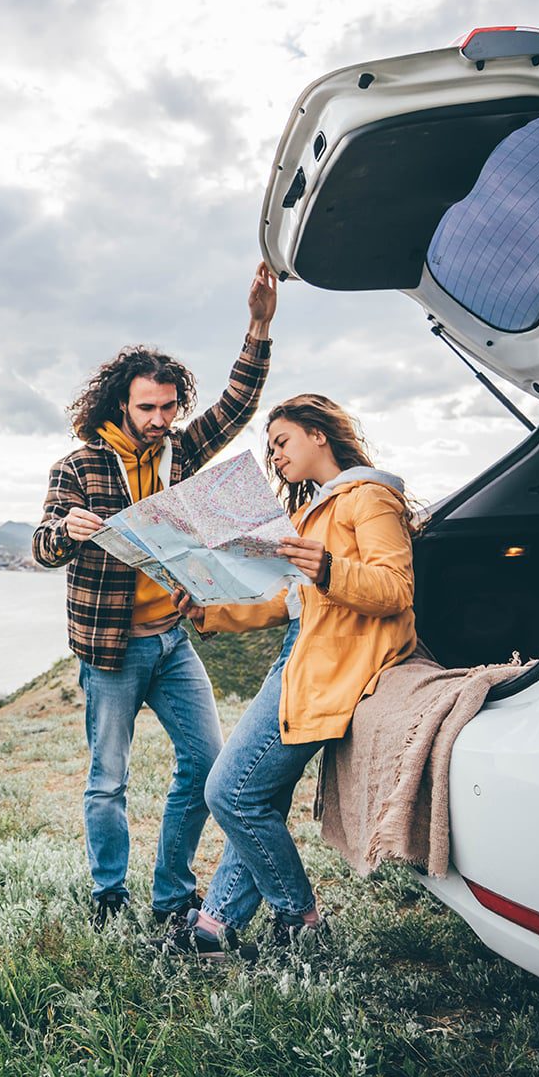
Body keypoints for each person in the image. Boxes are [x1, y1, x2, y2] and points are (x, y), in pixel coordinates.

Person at [33, 262, 278, 927]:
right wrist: (68, 529)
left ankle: (172, 894)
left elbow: (238, 405)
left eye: (170, 407)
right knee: (108, 781)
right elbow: (40, 546)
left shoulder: (178, 453)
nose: (162, 419)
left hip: (171, 642)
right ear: (121, 404)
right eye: (149, 408)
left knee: (208, 766)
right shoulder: (78, 466)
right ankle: (109, 896)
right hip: (109, 650)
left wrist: (258, 323)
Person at [168, 393, 417, 957]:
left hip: (330, 666)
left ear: (318, 435)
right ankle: (214, 928)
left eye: (282, 442)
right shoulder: (313, 512)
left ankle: (299, 918)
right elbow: (289, 601)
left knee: (230, 792)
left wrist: (329, 567)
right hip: (301, 654)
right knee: (259, 796)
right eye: (271, 448)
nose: (276, 456)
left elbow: (397, 591)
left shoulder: (369, 498)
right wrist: (211, 612)